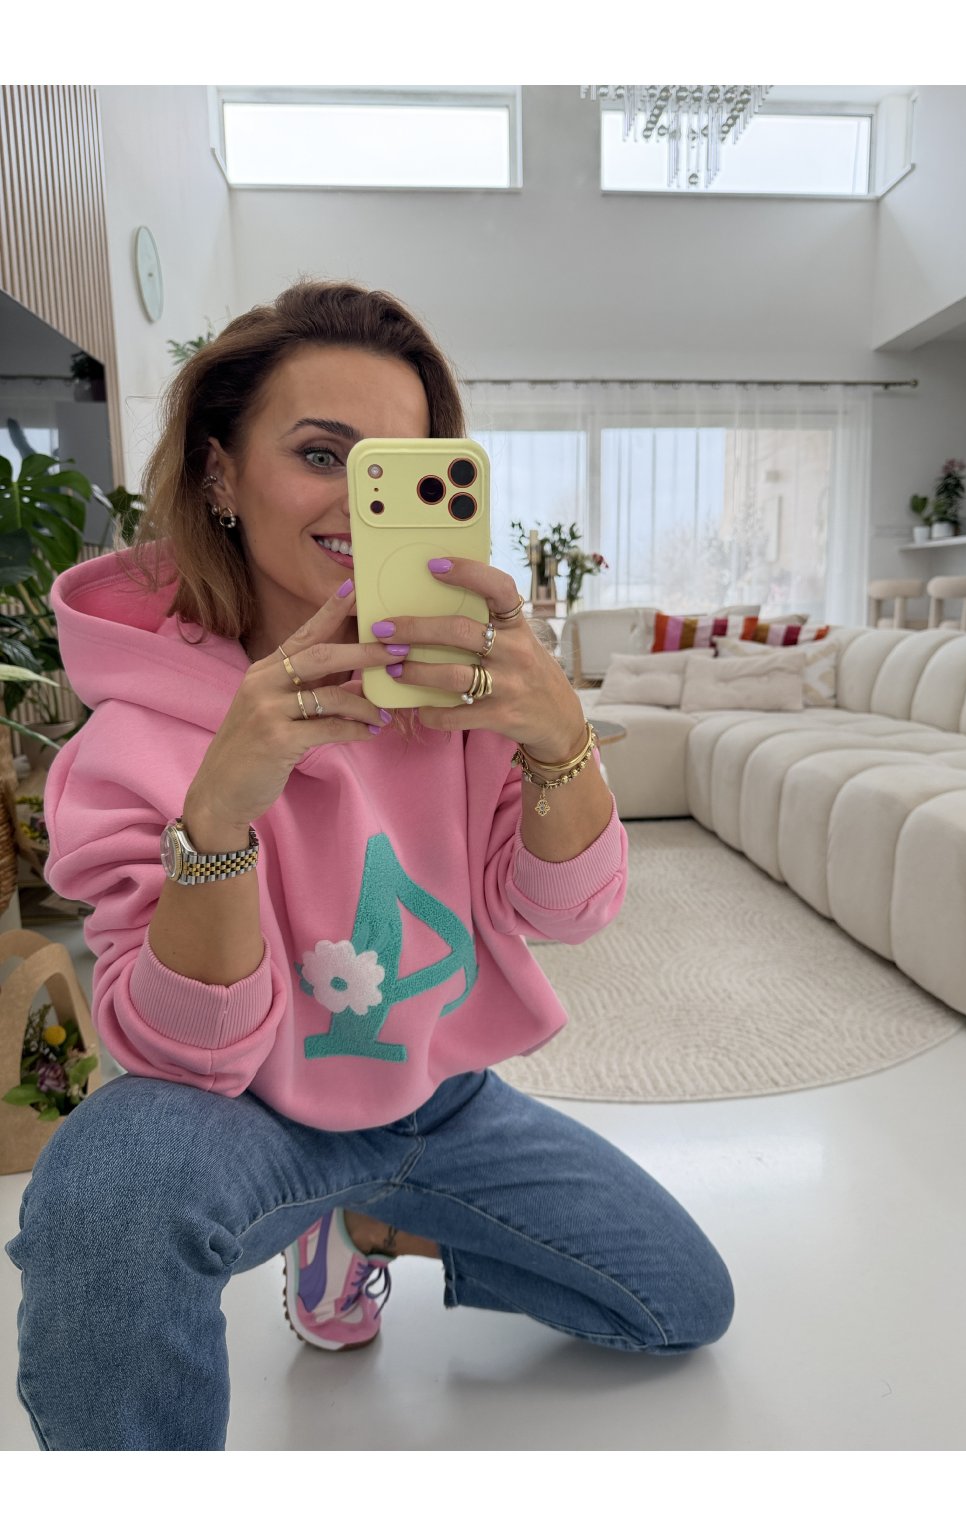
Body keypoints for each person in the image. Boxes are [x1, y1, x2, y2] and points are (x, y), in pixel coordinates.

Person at [5, 280, 734, 1450]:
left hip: (439, 1098)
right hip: (244, 1110)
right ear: (219, 474)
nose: (361, 502)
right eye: (319, 454)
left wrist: (559, 736)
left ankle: (366, 1229)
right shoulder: (132, 736)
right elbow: (184, 1052)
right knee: (105, 1201)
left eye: (399, 467)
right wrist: (221, 811)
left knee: (682, 1303)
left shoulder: (458, 684)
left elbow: (567, 911)